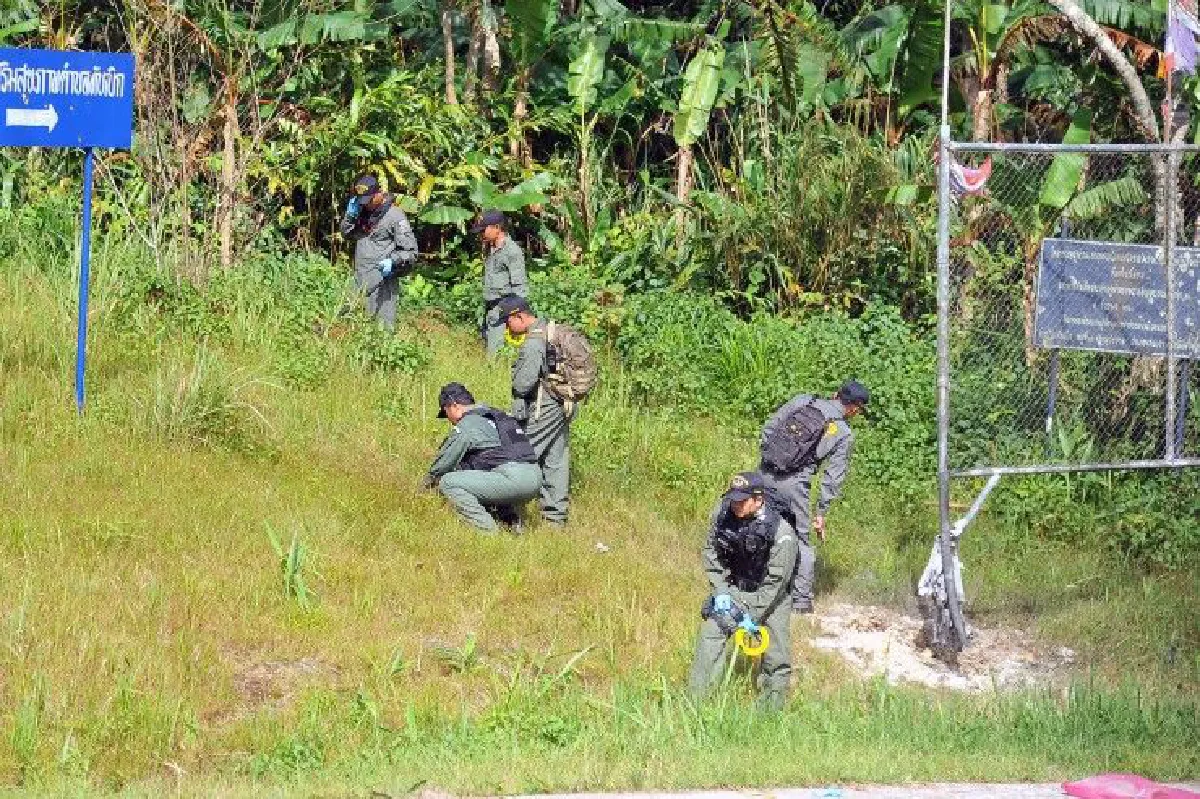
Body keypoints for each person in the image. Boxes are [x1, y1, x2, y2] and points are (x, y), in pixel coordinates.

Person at [688, 471, 798, 710]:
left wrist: (751, 616)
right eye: (733, 498)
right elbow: (711, 554)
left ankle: (769, 712)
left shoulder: (782, 534)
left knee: (775, 655)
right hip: (734, 588)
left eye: (742, 500)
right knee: (711, 632)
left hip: (772, 596)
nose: (735, 504)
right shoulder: (722, 514)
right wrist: (721, 592)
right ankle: (697, 704)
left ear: (759, 500)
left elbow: (775, 584)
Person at [758, 380, 869, 614]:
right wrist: (821, 512)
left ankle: (753, 581)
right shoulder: (843, 433)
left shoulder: (802, 401)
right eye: (859, 410)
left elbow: (768, 427)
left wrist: (770, 461)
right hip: (796, 485)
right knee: (801, 540)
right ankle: (800, 601)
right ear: (854, 408)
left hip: (765, 473)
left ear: (836, 394)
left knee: (760, 526)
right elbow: (832, 478)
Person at [496, 295, 574, 527]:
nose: (506, 327)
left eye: (507, 321)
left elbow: (523, 384)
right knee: (556, 459)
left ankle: (508, 511)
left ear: (519, 316)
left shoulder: (533, 343)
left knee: (522, 454)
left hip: (544, 406)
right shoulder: (550, 330)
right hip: (565, 402)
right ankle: (555, 519)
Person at [423, 382, 542, 533]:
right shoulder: (496, 416)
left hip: (514, 478)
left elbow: (443, 464)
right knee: (479, 471)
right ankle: (512, 524)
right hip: (535, 476)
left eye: (446, 413)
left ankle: (488, 532)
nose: (449, 420)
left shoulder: (467, 424)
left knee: (449, 482)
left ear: (454, 406)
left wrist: (424, 487)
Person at [339, 174, 418, 330]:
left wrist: (393, 261)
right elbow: (346, 234)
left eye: (368, 200)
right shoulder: (362, 212)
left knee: (382, 330)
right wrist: (350, 216)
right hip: (360, 278)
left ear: (379, 193)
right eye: (362, 201)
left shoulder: (395, 215)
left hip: (383, 281)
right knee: (347, 323)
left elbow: (411, 252)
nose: (366, 205)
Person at [473, 209, 528, 357]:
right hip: (490, 306)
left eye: (484, 230)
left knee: (494, 355)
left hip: (503, 308)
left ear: (497, 228)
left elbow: (520, 287)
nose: (481, 234)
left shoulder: (512, 251)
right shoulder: (489, 248)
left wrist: (515, 315)